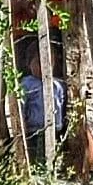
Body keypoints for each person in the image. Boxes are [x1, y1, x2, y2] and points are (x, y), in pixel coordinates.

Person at [19, 36, 65, 165]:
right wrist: (23, 125)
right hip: (35, 129)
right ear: (29, 64)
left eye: (49, 62)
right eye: (39, 62)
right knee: (35, 155)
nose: (45, 66)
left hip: (54, 128)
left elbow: (61, 104)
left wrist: (60, 124)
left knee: (52, 155)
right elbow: (21, 106)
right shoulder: (27, 84)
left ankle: (50, 171)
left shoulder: (57, 85)